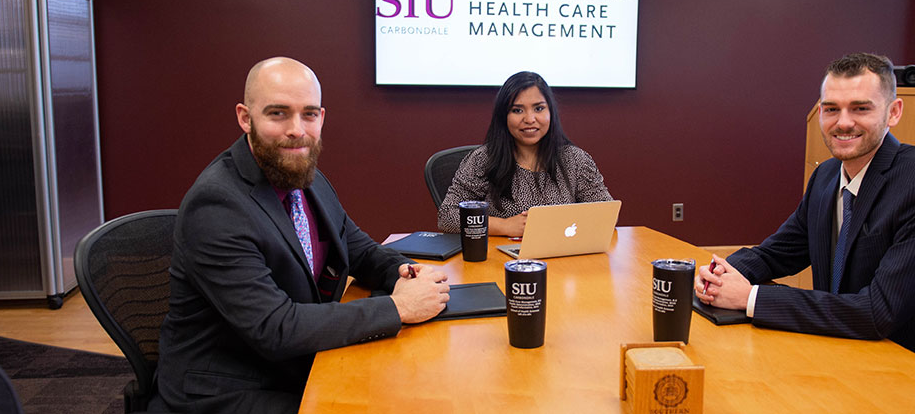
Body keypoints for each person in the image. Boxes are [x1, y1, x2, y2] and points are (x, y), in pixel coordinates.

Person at [153, 57, 450, 414]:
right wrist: (398, 307)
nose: (298, 129)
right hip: (233, 387)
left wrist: (405, 273)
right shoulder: (217, 205)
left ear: (321, 117)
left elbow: (361, 250)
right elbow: (274, 328)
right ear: (245, 118)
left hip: (296, 361)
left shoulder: (306, 177)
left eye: (309, 114)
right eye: (278, 113)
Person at [694, 52, 915, 373]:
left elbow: (877, 312)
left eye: (860, 108)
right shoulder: (827, 176)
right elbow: (777, 253)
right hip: (845, 350)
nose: (843, 122)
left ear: (893, 113)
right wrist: (719, 275)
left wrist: (750, 298)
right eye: (831, 109)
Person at [436, 71, 612, 237]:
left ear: (551, 112)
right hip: (501, 260)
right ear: (503, 116)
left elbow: (607, 213)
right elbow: (447, 216)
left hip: (564, 258)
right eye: (517, 110)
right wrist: (504, 226)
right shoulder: (484, 159)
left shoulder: (575, 160)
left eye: (538, 108)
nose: (529, 119)